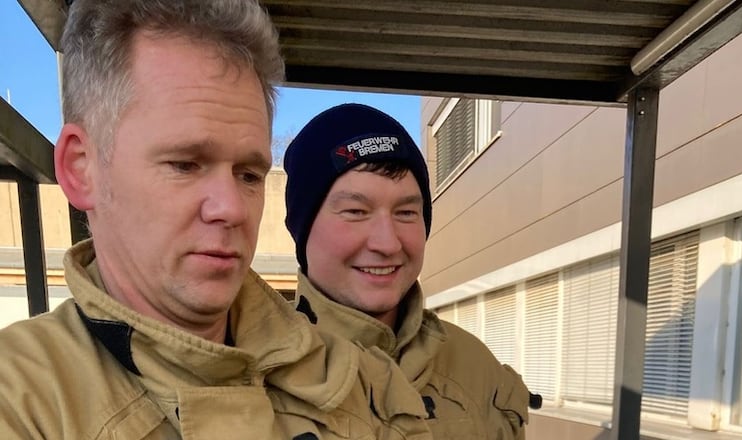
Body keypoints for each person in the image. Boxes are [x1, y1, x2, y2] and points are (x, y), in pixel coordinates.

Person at [0, 2, 432, 439]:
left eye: (249, 174)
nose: (232, 208)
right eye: (185, 165)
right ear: (81, 169)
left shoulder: (361, 380)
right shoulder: (23, 403)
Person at [284, 103, 534, 439]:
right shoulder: (248, 374)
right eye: (356, 211)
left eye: (405, 213)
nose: (388, 243)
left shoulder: (474, 365)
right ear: (302, 229)